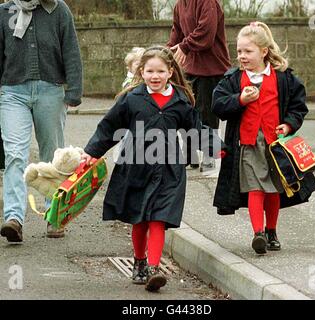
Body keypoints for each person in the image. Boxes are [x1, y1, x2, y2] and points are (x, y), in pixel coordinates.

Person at [81, 46, 227, 292]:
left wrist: (215, 146)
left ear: (171, 72)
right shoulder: (132, 99)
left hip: (169, 170)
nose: (155, 76)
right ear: (142, 72)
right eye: (150, 71)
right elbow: (109, 127)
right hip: (136, 167)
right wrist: (92, 152)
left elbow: (196, 128)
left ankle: (153, 267)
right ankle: (139, 261)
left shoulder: (181, 101)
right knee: (140, 220)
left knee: (158, 218)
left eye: (160, 71)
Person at [211, 21, 315, 255]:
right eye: (239, 51)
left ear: (264, 51)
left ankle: (271, 231)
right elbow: (217, 105)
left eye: (248, 51)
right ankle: (258, 233)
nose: (242, 56)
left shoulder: (284, 78)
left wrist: (289, 124)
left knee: (273, 190)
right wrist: (240, 100)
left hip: (274, 146)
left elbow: (298, 107)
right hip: (246, 145)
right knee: (254, 188)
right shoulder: (232, 79)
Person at [0, 0, 83, 242]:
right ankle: (14, 218)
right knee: (14, 153)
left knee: (53, 155)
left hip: (51, 91)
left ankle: (54, 214)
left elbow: (70, 49)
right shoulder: (4, 12)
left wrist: (74, 90)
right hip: (12, 92)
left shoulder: (58, 10)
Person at [167, 0, 231, 172]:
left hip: (211, 68)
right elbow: (176, 32)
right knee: (185, 110)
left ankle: (209, 155)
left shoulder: (208, 2)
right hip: (189, 67)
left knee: (206, 113)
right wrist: (166, 52)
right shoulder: (180, 5)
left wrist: (185, 46)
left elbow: (206, 33)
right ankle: (190, 155)